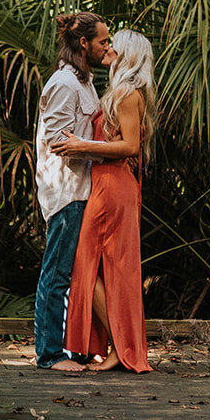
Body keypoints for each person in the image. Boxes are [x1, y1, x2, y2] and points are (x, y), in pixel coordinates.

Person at [51, 29, 155, 373]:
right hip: (104, 185)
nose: (108, 48)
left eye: (115, 45)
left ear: (129, 54)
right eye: (106, 43)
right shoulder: (118, 91)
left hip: (113, 186)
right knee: (95, 267)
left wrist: (82, 146)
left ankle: (119, 347)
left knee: (95, 266)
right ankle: (118, 346)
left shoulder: (126, 93)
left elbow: (129, 147)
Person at [33, 12, 112, 371]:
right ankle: (49, 355)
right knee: (58, 272)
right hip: (65, 192)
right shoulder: (64, 83)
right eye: (103, 42)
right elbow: (56, 141)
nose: (107, 47)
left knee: (78, 273)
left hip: (85, 189)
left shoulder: (86, 82)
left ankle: (74, 347)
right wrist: (106, 150)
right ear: (84, 44)